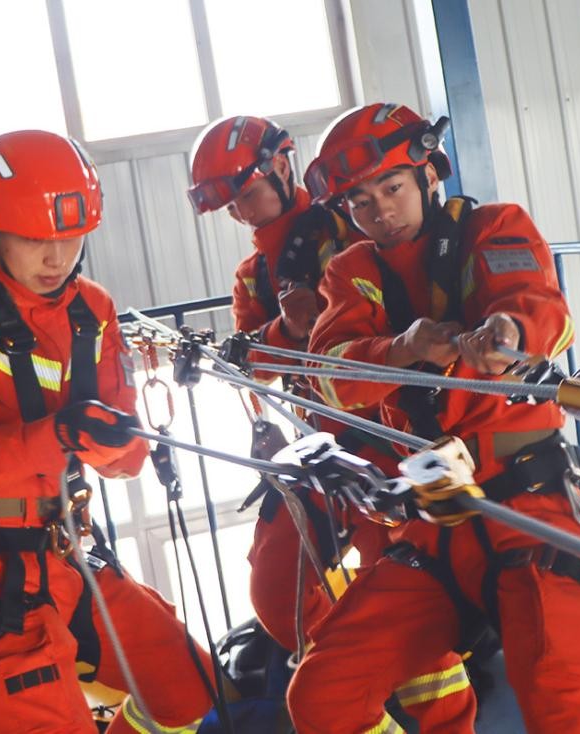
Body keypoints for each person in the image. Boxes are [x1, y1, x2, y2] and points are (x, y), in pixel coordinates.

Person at [288, 102, 580, 734]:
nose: (380, 211)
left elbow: (538, 308)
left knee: (566, 693)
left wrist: (508, 332)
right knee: (323, 694)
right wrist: (404, 348)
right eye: (360, 203)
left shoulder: (494, 230)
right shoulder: (352, 272)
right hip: (433, 516)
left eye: (391, 188)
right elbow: (330, 375)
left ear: (427, 174)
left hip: (525, 503)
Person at [0, 130, 217, 733]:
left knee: (187, 685)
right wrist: (58, 436)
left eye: (71, 237)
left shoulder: (92, 310)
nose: (56, 257)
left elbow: (129, 459)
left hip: (64, 558)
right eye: (36, 238)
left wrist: (117, 443)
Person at [188, 115, 474, 731]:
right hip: (323, 446)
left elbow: (414, 309)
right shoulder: (254, 275)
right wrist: (287, 330)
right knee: (274, 593)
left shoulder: (358, 227)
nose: (241, 212)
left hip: (393, 433)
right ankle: (358, 677)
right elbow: (254, 359)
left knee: (400, 581)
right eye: (231, 205)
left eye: (246, 195)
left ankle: (432, 709)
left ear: (281, 167)